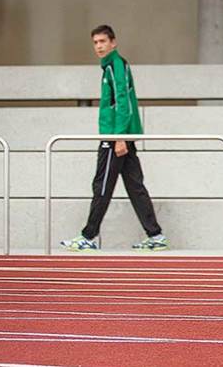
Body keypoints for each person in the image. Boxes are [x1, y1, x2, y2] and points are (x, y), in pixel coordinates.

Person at [60, 25, 168, 252]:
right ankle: (155, 235)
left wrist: (119, 137)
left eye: (102, 41)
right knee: (135, 186)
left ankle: (88, 236)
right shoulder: (111, 66)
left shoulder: (115, 65)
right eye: (95, 42)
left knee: (101, 185)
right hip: (119, 135)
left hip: (115, 136)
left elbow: (123, 102)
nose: (99, 46)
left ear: (113, 42)